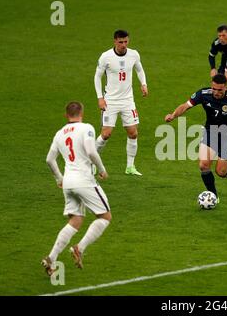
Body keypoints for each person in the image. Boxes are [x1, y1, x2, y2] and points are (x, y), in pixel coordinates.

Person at [165, 74, 227, 200]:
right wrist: (173, 115)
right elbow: (186, 106)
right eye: (214, 89)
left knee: (221, 172)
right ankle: (213, 196)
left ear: (226, 87)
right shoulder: (203, 94)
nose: (216, 92)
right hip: (211, 131)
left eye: (219, 90)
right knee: (203, 165)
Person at [42, 102, 111, 275]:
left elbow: (49, 160)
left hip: (68, 182)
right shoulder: (86, 128)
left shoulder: (59, 134)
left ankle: (51, 258)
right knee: (105, 216)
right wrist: (102, 170)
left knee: (76, 220)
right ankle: (79, 248)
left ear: (66, 115)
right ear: (82, 113)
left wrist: (59, 178)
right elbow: (91, 151)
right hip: (84, 180)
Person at [94, 29, 148, 176]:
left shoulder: (134, 54)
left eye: (126, 41)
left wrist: (143, 84)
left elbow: (140, 70)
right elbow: (97, 77)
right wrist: (100, 97)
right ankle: (92, 161)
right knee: (106, 134)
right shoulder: (106, 57)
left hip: (128, 101)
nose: (124, 45)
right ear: (115, 41)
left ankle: (130, 167)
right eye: (120, 42)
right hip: (110, 101)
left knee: (133, 133)